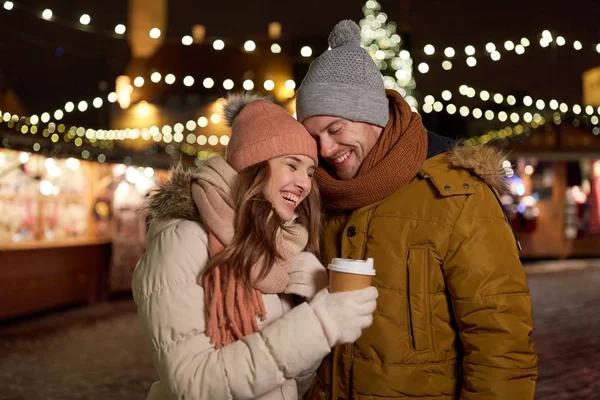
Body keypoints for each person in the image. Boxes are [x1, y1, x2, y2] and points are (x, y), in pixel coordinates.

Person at [296, 20, 538, 400]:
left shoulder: (457, 195)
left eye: (336, 128)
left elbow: (500, 342)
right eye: (313, 137)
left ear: (371, 114)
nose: (325, 149)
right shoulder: (314, 197)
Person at [132, 93, 378, 400]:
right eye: (292, 165)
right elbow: (193, 384)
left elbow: (291, 383)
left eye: (310, 172)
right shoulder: (183, 240)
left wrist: (312, 303)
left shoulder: (276, 249)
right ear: (254, 165)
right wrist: (319, 324)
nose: (304, 183)